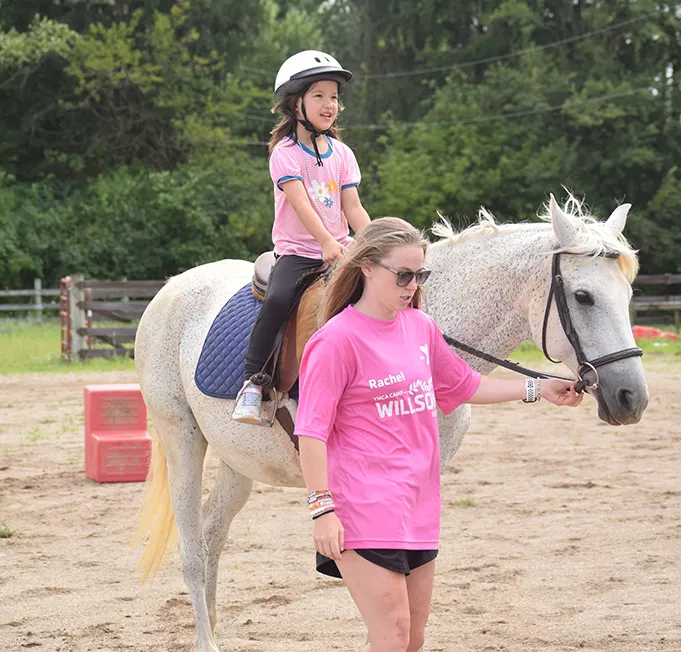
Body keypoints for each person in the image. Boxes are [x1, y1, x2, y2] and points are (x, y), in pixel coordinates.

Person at [294, 217, 584, 652]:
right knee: (390, 637)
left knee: (412, 639)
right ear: (367, 268)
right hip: (362, 510)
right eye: (404, 274)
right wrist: (322, 510)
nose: (412, 285)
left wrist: (537, 388)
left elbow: (463, 386)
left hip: (418, 505)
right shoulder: (335, 341)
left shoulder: (420, 327)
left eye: (420, 274)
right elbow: (311, 431)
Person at [233, 50, 371, 425]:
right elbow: (301, 205)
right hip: (299, 254)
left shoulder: (342, 154)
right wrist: (326, 242)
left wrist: (375, 241)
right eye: (319, 96)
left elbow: (353, 208)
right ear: (295, 104)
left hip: (340, 252)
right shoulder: (285, 154)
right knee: (276, 302)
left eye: (334, 96)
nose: (330, 104)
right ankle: (254, 382)